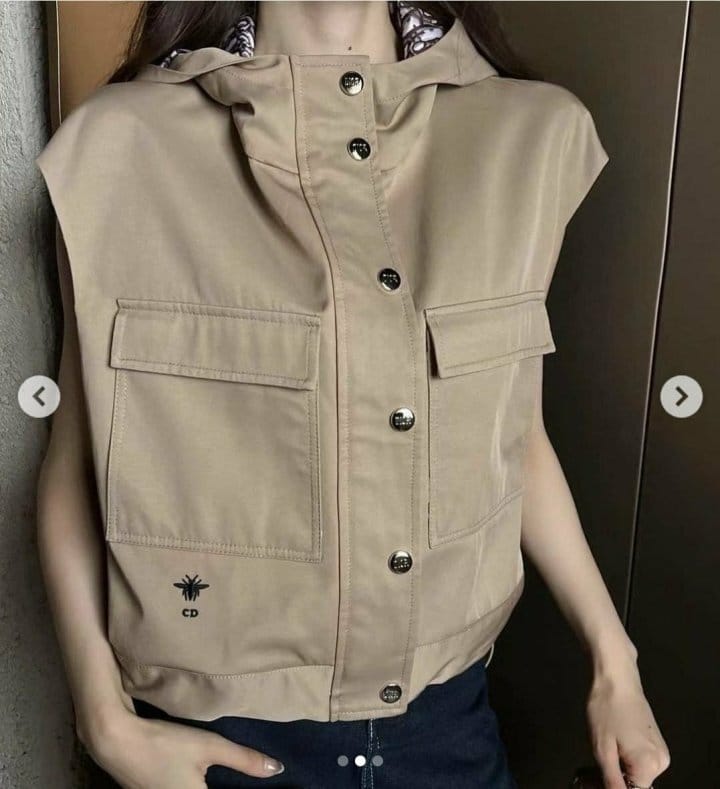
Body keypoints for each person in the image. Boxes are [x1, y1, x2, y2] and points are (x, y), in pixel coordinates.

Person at [35, 2, 671, 788]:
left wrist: (614, 662)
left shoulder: (528, 138)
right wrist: (104, 722)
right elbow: (77, 459)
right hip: (204, 746)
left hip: (448, 737)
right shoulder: (118, 147)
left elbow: (510, 435)